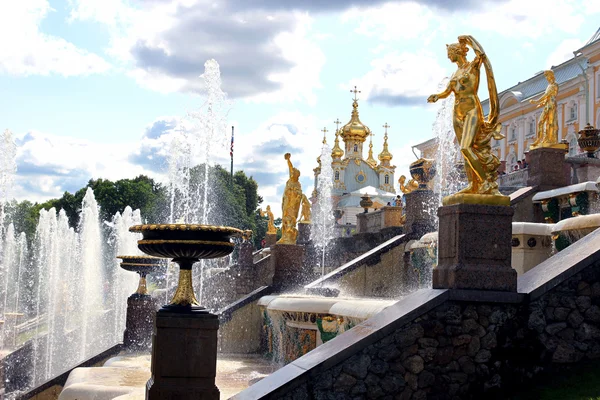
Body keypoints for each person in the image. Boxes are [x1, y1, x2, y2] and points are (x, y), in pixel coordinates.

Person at [428, 35, 503, 196]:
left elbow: (482, 55)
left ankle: (486, 183)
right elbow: (448, 91)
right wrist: (437, 96)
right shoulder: (455, 73)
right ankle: (472, 184)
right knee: (466, 151)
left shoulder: (473, 66)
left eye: (450, 53)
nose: (449, 56)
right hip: (457, 112)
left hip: (471, 110)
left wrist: (469, 39)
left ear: (458, 52)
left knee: (466, 147)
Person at [529, 70, 559, 149]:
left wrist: (536, 101)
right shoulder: (549, 85)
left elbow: (546, 95)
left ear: (551, 75)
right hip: (547, 105)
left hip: (551, 106)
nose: (546, 77)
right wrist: (541, 104)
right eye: (545, 76)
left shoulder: (554, 85)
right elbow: (547, 98)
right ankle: (539, 140)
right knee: (540, 122)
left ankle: (551, 139)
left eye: (547, 75)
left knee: (550, 123)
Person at [277, 153, 302, 244]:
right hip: (287, 202)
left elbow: (300, 194)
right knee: (284, 218)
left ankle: (290, 237)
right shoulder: (291, 180)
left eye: (293, 173)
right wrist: (288, 160)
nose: (291, 173)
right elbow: (290, 167)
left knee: (290, 219)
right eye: (292, 173)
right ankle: (284, 237)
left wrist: (295, 192)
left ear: (296, 175)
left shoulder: (297, 184)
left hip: (293, 205)